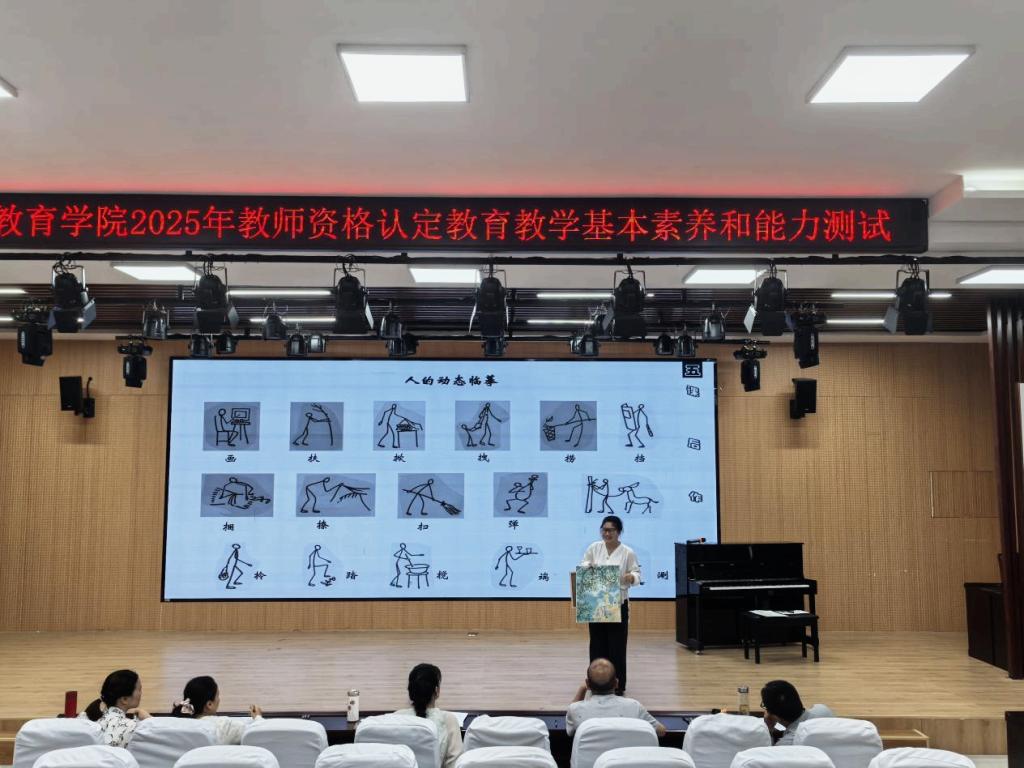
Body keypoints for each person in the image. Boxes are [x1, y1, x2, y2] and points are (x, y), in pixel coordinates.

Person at [579, 514, 641, 694]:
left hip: (617, 604)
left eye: (611, 530)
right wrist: (588, 567)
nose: (607, 533)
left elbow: (637, 574)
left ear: (618, 532)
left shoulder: (627, 552)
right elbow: (584, 565)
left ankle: (618, 686)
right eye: (604, 530)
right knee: (597, 645)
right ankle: (596, 684)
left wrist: (631, 577)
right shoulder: (594, 548)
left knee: (617, 647)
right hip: (596, 603)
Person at [565, 658, 665, 737]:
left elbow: (570, 729)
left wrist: (582, 689)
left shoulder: (575, 710)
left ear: (587, 684)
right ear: (616, 683)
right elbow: (661, 731)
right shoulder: (634, 706)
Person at [394, 663, 462, 768]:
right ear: (437, 691)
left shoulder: (396, 717)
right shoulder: (448, 720)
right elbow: (454, 764)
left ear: (410, 692)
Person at [171, 675, 263, 745]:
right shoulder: (224, 726)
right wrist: (258, 717)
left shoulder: (173, 725)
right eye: (217, 696)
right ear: (209, 705)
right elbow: (257, 734)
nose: (219, 699)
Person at [79, 669, 150, 748]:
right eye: (139, 689)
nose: (141, 693)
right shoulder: (134, 727)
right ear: (124, 699)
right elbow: (159, 739)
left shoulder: (85, 718)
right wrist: (149, 719)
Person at [760, 680, 834, 746]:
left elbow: (769, 753)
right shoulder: (823, 710)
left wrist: (769, 730)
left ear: (775, 716)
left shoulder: (786, 744)